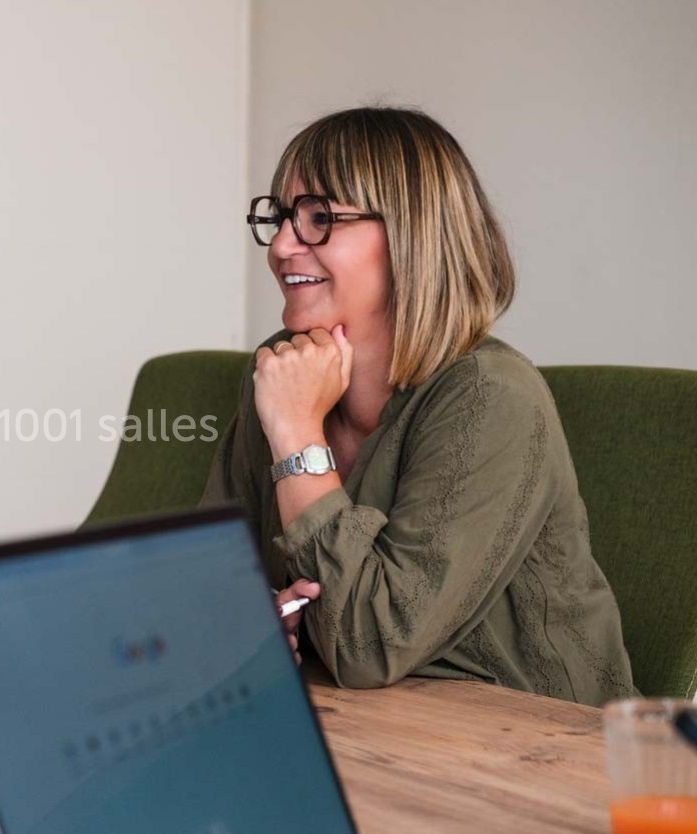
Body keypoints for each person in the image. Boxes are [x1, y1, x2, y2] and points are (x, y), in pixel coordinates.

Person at [203, 107, 633, 706]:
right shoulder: (283, 370)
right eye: (279, 218)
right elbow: (209, 582)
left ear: (411, 235)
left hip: (527, 738)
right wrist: (253, 621)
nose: (280, 246)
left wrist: (297, 436)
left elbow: (368, 645)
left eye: (319, 218)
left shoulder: (491, 396)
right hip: (356, 720)